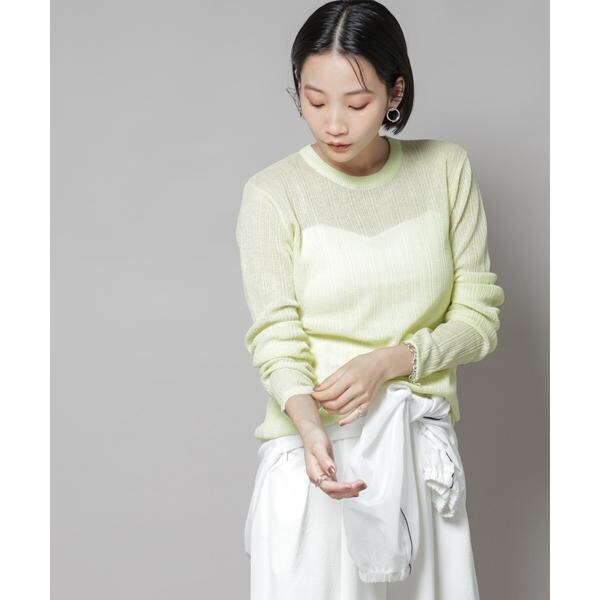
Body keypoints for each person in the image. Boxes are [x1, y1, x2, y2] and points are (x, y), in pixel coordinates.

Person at [235, 1, 505, 598]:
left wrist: (389, 362)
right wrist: (309, 429)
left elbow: (478, 319)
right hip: (314, 453)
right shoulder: (273, 194)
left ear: (394, 92)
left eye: (356, 104)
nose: (334, 123)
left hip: (418, 454)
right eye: (313, 101)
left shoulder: (445, 170)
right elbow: (276, 338)